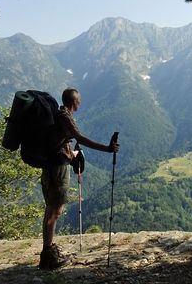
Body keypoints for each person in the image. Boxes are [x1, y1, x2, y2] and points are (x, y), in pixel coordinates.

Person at [39, 87, 119, 270]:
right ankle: (47, 256)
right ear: (74, 102)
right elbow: (80, 137)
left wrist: (74, 154)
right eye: (79, 100)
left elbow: (61, 143)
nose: (80, 103)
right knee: (55, 210)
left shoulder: (59, 115)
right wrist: (106, 149)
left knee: (52, 209)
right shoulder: (65, 116)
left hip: (51, 165)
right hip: (57, 168)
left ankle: (48, 251)